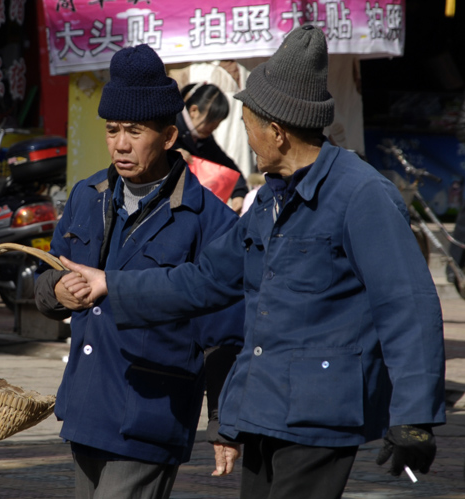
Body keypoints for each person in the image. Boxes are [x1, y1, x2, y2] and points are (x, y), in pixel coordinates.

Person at [58, 26, 446, 499]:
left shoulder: (360, 195)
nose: (244, 135)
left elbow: (406, 304)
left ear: (277, 132)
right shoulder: (269, 202)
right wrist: (111, 286)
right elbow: (204, 281)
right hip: (264, 408)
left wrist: (415, 416)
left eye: (246, 124)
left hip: (321, 413)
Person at [33, 44, 244, 499]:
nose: (120, 144)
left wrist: (223, 422)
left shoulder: (210, 219)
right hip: (85, 407)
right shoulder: (87, 197)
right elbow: (45, 281)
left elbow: (225, 333)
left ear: (169, 137)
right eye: (112, 130)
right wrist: (57, 293)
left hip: (150, 414)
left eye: (134, 131)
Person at [174, 82, 249, 212]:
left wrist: (238, 193)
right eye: (211, 121)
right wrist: (170, 154)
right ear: (194, 111)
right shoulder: (170, 125)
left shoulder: (204, 139)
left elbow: (227, 166)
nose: (214, 128)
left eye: (218, 123)